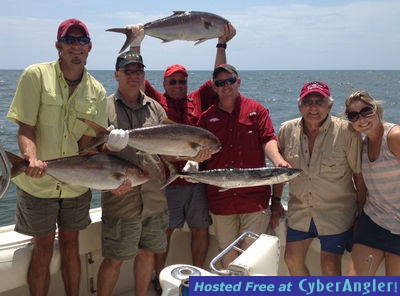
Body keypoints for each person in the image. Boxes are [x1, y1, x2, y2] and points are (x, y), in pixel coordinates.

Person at [6, 18, 129, 296]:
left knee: (72, 245)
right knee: (44, 248)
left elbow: (87, 147)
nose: (76, 47)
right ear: (58, 46)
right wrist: (31, 159)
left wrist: (111, 176)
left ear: (90, 47)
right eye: (70, 41)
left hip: (75, 186)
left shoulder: (96, 91)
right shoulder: (35, 75)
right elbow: (26, 127)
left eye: (81, 41)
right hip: (38, 185)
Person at [128, 23, 236, 291]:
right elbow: (137, 77)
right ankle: (159, 277)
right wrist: (137, 42)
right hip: (168, 182)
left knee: (200, 229)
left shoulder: (198, 99)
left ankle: (197, 276)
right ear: (164, 84)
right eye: (173, 81)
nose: (178, 85)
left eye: (182, 80)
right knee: (166, 232)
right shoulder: (155, 100)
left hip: (196, 179)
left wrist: (221, 44)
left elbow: (218, 77)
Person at [197, 64, 289, 268]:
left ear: (238, 82)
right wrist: (194, 158)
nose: (226, 86)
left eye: (230, 81)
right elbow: (198, 154)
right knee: (227, 253)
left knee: (252, 256)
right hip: (221, 199)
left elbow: (268, 139)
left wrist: (278, 161)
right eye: (220, 83)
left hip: (254, 198)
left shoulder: (257, 110)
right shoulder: (206, 118)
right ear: (214, 87)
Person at [271, 81, 365, 276]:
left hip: (336, 214)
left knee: (329, 265)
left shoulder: (347, 132)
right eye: (307, 102)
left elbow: (359, 176)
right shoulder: (287, 130)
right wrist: (276, 202)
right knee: (291, 258)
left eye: (319, 102)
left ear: (329, 105)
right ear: (299, 105)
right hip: (301, 212)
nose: (313, 107)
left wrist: (361, 217)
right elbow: (280, 172)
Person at [96, 51, 170, 296]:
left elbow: (167, 147)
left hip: (154, 198)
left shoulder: (155, 108)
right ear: (117, 75)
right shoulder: (103, 107)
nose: (134, 76)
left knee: (147, 253)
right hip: (121, 198)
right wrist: (109, 146)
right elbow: (91, 152)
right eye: (128, 71)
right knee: (114, 259)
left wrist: (190, 157)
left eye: (139, 71)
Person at [344, 91, 400, 275]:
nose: (361, 119)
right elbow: (362, 185)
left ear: (377, 110)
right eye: (353, 115)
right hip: (373, 222)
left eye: (366, 111)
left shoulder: (394, 137)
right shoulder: (362, 144)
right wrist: (359, 216)